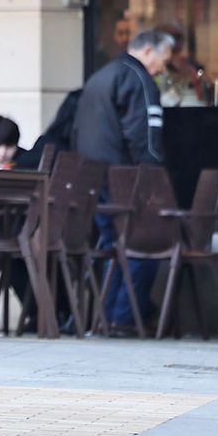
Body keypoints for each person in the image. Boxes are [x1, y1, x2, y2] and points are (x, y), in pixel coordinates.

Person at [73, 27, 174, 335]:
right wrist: (152, 176)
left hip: (91, 176)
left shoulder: (99, 77)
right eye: (163, 59)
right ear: (147, 51)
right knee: (144, 243)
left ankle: (108, 316)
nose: (163, 68)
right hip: (124, 177)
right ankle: (124, 316)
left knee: (112, 245)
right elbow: (145, 134)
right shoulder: (139, 78)